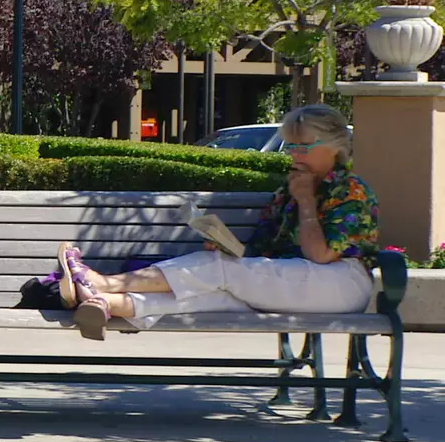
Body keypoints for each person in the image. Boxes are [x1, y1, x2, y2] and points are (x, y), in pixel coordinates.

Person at [57, 104, 379, 339]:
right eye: (291, 146)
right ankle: (105, 302)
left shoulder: (349, 190)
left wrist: (307, 202)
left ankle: (103, 283)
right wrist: (229, 246)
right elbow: (260, 252)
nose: (295, 154)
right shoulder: (288, 190)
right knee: (216, 292)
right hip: (293, 281)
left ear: (335, 147)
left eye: (303, 146)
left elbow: (321, 256)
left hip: (341, 283)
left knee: (220, 270)